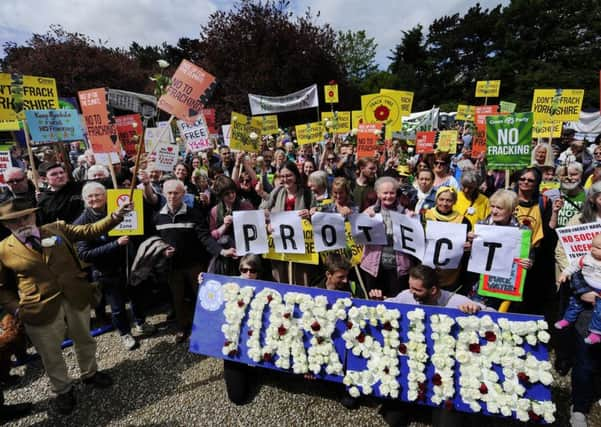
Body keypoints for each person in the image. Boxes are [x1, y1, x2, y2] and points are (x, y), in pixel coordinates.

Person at [0, 197, 132, 414]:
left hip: (75, 295)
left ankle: (90, 373)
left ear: (34, 215)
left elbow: (89, 230)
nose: (22, 223)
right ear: (6, 224)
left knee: (84, 339)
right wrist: (16, 309)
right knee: (50, 354)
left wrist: (117, 215)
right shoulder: (3, 249)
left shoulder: (57, 229)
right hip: (37, 308)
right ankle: (63, 389)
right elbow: (2, 288)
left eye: (26, 217)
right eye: (15, 221)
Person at [369, 265, 489, 427]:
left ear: (433, 290)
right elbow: (391, 304)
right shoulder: (407, 295)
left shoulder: (455, 301)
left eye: (416, 290)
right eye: (410, 287)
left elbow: (491, 314)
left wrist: (477, 308)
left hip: (446, 371)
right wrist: (378, 300)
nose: (411, 293)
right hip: (414, 363)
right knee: (393, 418)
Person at [74, 182, 156, 351]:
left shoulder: (117, 209)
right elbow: (85, 254)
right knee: (117, 306)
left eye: (98, 195)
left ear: (106, 196)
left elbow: (140, 221)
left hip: (127, 265)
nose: (95, 199)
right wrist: (116, 244)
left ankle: (141, 323)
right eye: (90, 196)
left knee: (136, 297)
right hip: (106, 272)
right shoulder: (81, 223)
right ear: (84, 199)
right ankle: (125, 333)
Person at [155, 179, 234, 343]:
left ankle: (208, 328)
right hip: (173, 267)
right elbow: (153, 240)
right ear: (164, 194)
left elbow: (205, 237)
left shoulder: (193, 213)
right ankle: (183, 328)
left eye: (176, 193)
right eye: (169, 193)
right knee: (178, 298)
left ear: (183, 194)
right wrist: (162, 250)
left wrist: (221, 251)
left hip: (194, 265)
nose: (172, 196)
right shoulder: (157, 217)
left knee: (203, 297)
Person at [260, 161, 314, 285]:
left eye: (289, 175)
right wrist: (268, 220)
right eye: (282, 176)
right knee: (280, 277)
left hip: (301, 245)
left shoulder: (307, 193)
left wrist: (310, 214)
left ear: (295, 175)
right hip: (279, 243)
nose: (285, 179)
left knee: (301, 279)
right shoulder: (277, 191)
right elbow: (263, 208)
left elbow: (316, 213)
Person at [361, 177, 412, 297]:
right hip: (373, 267)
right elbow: (359, 237)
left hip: (398, 268)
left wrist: (412, 220)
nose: (388, 196)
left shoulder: (405, 213)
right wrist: (364, 218)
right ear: (378, 194)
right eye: (385, 193)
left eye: (392, 193)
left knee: (395, 303)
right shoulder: (369, 211)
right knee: (374, 301)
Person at [555, 234, 601, 344]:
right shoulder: (586, 258)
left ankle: (596, 333)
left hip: (599, 291)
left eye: (598, 248)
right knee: (574, 304)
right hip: (584, 286)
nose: (593, 250)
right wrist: (564, 274)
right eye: (593, 246)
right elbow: (573, 266)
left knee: (599, 312)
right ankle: (567, 319)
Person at [208, 176, 253, 275]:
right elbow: (212, 236)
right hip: (225, 254)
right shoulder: (215, 211)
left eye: (233, 192)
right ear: (220, 196)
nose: (231, 195)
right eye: (227, 194)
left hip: (245, 253)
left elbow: (254, 228)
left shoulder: (246, 206)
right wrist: (225, 225)